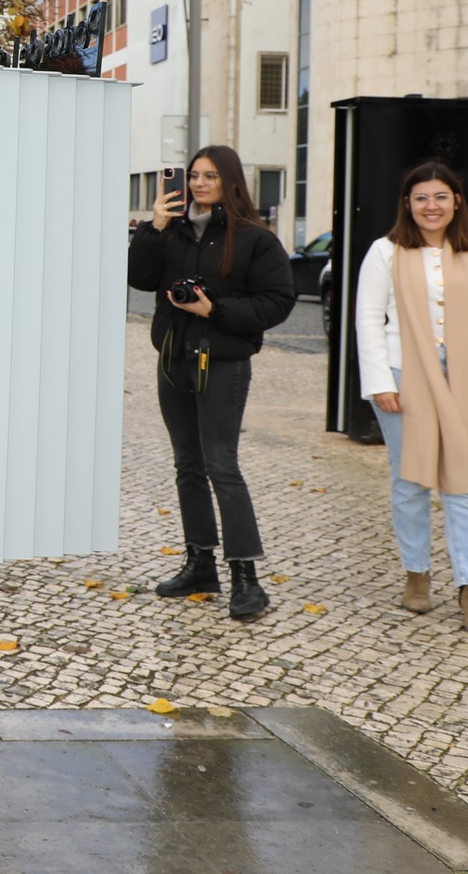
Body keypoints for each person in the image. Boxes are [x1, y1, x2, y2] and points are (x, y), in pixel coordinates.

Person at [127, 146, 295, 621]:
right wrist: (153, 227)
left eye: (210, 176)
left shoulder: (256, 239)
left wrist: (213, 310)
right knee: (188, 465)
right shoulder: (173, 230)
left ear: (231, 182)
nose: (199, 184)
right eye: (194, 175)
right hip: (174, 360)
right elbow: (138, 278)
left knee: (222, 465)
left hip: (221, 363)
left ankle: (247, 577)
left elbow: (277, 302)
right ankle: (200, 563)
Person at [355, 161, 468, 637]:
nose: (431, 206)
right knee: (411, 480)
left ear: (456, 202)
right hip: (404, 376)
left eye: (440, 196)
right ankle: (417, 574)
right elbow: (368, 319)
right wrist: (379, 382)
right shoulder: (385, 252)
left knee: (465, 484)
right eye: (421, 197)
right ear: (407, 204)